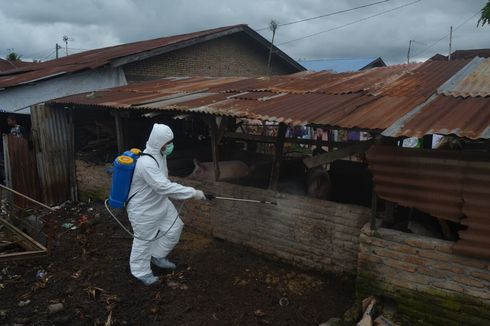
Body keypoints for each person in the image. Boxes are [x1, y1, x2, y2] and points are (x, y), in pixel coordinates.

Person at [126, 123, 206, 285]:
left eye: (170, 142)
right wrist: (193, 192)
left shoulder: (161, 155)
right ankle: (140, 272)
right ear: (158, 142)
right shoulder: (146, 163)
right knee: (144, 240)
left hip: (160, 202)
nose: (170, 146)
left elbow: (163, 183)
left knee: (175, 227)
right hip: (143, 209)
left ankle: (157, 255)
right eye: (167, 143)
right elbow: (162, 186)